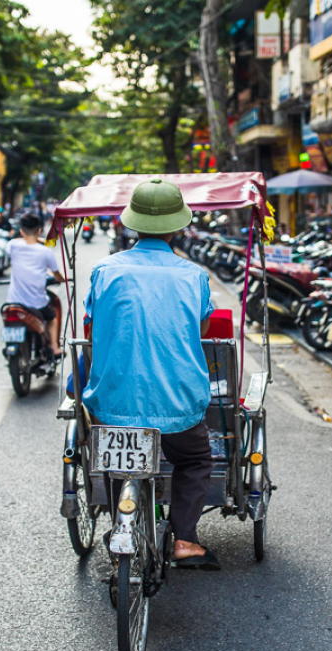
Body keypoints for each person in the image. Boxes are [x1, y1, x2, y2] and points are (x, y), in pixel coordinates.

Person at [83, 179, 220, 571]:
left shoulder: (105, 271)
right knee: (194, 460)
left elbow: (92, 326)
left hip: (112, 402)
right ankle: (186, 540)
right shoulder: (193, 276)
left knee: (114, 457)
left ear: (132, 224)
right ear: (178, 227)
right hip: (178, 404)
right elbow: (203, 329)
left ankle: (119, 523)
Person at [6, 213, 65, 356]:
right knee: (52, 318)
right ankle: (55, 347)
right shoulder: (45, 251)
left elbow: (20, 241)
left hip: (14, 303)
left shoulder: (12, 246)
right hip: (37, 304)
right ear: (39, 230)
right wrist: (62, 279)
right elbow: (56, 275)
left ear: (21, 231)